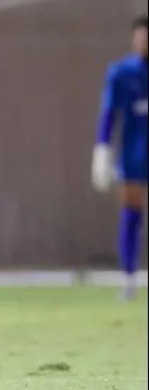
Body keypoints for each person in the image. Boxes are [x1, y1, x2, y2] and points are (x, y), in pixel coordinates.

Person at [92, 15, 148, 301]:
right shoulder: (121, 72)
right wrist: (102, 150)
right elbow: (109, 113)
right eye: (141, 36)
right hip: (134, 153)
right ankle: (128, 279)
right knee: (131, 215)